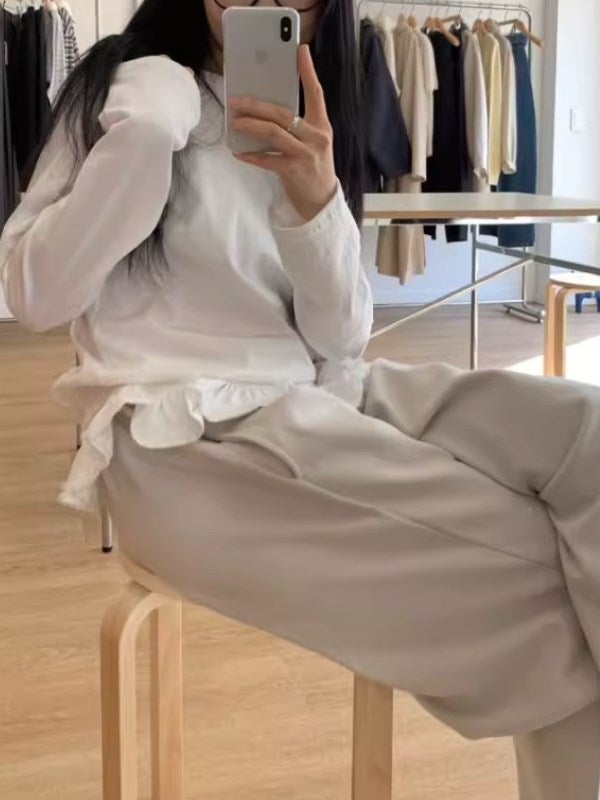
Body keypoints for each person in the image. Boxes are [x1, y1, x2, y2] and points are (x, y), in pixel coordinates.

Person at [1, 0, 599, 796]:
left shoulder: (316, 105)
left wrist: (315, 199)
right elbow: (36, 296)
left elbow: (342, 337)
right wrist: (138, 144)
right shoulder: (123, 91)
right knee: (539, 569)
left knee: (586, 436)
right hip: (180, 438)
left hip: (318, 387)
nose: (259, 6)